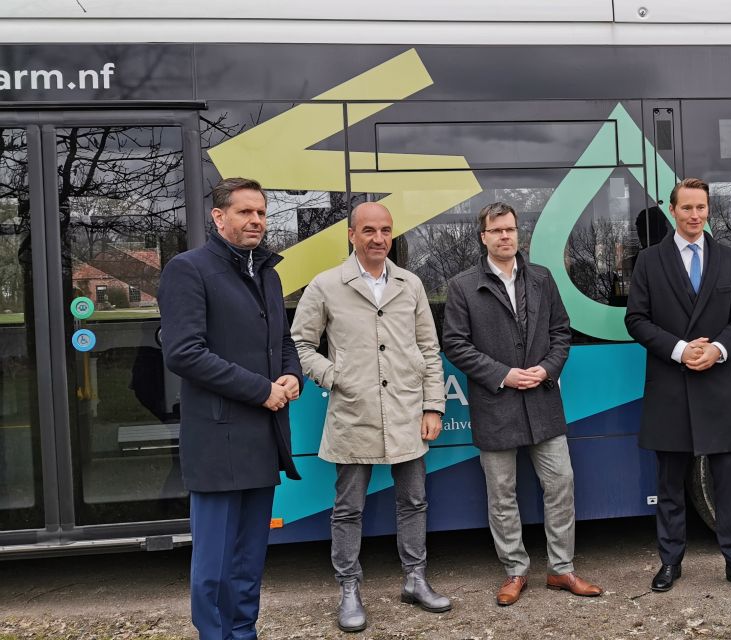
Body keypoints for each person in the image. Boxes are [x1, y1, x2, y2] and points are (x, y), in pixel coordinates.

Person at [290, 202, 450, 632]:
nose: (379, 239)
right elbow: (301, 344)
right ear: (351, 234)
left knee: (414, 501)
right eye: (369, 231)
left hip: (406, 412)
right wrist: (335, 376)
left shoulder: (410, 284)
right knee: (347, 509)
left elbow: (430, 350)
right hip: (353, 414)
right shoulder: (325, 286)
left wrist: (433, 405)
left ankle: (415, 579)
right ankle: (348, 588)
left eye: (385, 231)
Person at [160, 177, 302, 640]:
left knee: (248, 559)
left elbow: (282, 341)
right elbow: (184, 353)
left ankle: (245, 632)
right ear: (219, 217)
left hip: (263, 437)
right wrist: (261, 389)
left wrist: (291, 374)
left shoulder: (269, 272)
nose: (256, 221)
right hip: (218, 441)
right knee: (215, 564)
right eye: (245, 212)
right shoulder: (189, 269)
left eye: (261, 212)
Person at [441, 202, 603, 606]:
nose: (505, 236)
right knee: (502, 494)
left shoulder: (542, 279)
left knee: (560, 483)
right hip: (496, 403)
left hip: (543, 403)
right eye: (496, 231)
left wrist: (547, 369)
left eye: (510, 229)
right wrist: (504, 374)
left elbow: (561, 332)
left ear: (518, 233)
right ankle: (515, 571)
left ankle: (561, 569)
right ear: (483, 237)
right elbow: (455, 345)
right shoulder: (462, 286)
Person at [623, 177, 731, 596]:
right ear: (672, 210)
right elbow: (636, 320)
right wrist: (682, 350)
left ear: (708, 210)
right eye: (687, 208)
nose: (695, 215)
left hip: (718, 384)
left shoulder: (727, 259)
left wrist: (717, 349)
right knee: (670, 486)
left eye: (701, 207)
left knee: (728, 486)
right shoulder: (649, 260)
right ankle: (670, 563)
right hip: (670, 386)